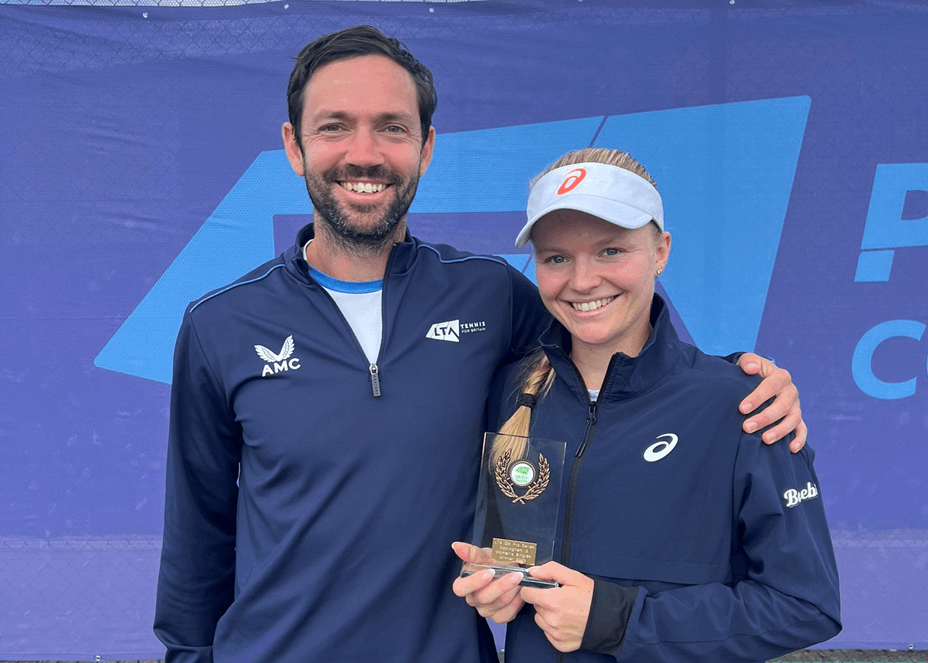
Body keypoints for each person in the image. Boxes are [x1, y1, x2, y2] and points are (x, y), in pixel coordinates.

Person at [154, 25, 808, 663]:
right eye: (334, 126)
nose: (365, 152)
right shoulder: (222, 324)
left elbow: (613, 344)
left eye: (392, 127)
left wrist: (740, 379)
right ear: (294, 147)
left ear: (426, 146)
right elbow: (198, 529)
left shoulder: (491, 294)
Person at [452, 148, 841, 662]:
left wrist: (617, 620)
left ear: (660, 250)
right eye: (556, 257)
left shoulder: (744, 405)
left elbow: (805, 605)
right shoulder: (507, 392)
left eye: (611, 251)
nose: (583, 280)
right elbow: (505, 548)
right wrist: (492, 581)